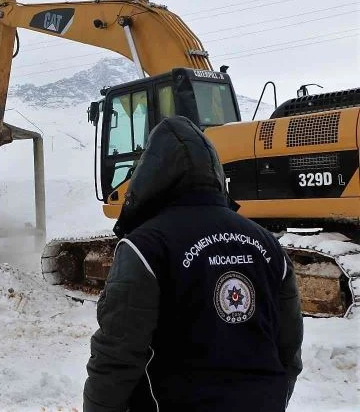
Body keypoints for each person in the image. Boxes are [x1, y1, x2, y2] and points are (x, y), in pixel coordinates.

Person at [83, 116, 303, 412]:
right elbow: (288, 347)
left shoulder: (146, 246)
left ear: (152, 174)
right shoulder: (267, 244)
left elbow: (117, 355)